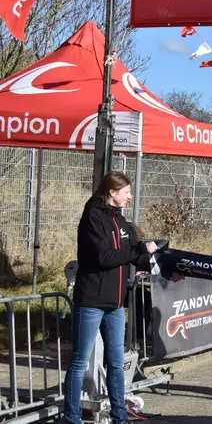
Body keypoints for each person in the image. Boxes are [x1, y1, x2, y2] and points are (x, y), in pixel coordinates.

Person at [62, 172, 159, 424]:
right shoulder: (92, 217)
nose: (129, 196)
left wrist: (159, 263)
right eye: (126, 191)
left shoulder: (121, 220)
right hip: (91, 302)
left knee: (116, 364)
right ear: (112, 192)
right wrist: (138, 249)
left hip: (115, 305)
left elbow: (132, 256)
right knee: (79, 362)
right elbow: (105, 257)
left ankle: (119, 416)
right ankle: (71, 418)